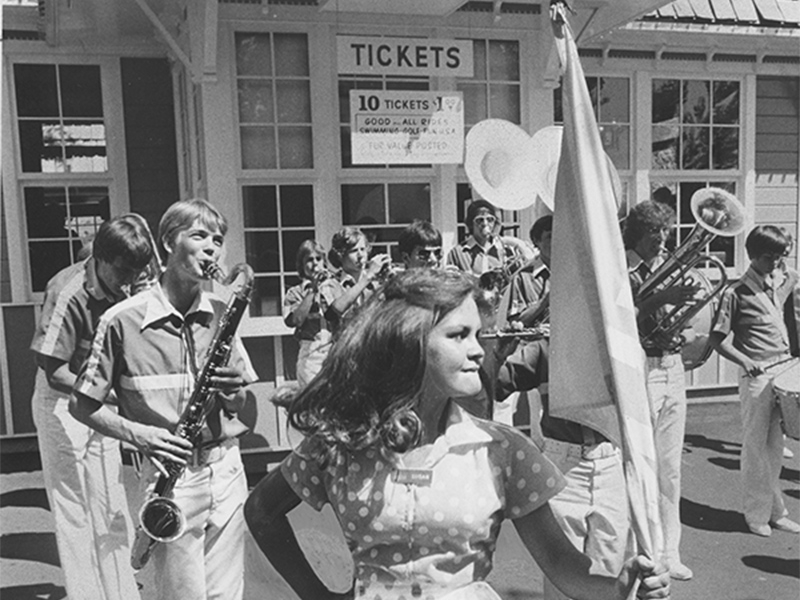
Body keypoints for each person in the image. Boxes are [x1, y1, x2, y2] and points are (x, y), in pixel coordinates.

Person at [243, 268, 670, 600]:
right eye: (459, 335)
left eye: (478, 335)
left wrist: (618, 587)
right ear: (410, 342)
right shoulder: (340, 442)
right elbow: (261, 511)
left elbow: (561, 563)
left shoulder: (503, 452)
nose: (479, 350)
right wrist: (316, 596)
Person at [70, 198, 257, 600]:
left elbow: (238, 405)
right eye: (199, 235)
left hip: (225, 468)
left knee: (229, 594)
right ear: (170, 241)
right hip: (171, 477)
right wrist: (141, 435)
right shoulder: (121, 320)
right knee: (181, 595)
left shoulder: (224, 313)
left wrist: (234, 391)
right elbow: (81, 405)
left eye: (218, 239)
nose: (212, 247)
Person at [496, 215, 634, 600]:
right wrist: (497, 349)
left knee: (608, 572)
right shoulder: (545, 348)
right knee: (562, 576)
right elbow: (495, 383)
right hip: (563, 462)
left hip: (610, 461)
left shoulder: (620, 349)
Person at [30, 214, 154, 600]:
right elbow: (54, 373)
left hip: (97, 398)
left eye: (136, 271)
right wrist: (118, 397)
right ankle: (87, 594)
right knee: (75, 510)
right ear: (100, 257)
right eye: (122, 271)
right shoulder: (68, 292)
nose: (129, 280)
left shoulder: (129, 282)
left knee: (110, 502)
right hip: (61, 404)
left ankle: (120, 593)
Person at [708, 225, 800, 537]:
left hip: (783, 369)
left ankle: (777, 511)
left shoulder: (783, 281)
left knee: (777, 446)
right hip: (757, 373)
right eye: (768, 257)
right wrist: (746, 362)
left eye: (779, 256)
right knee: (755, 447)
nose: (775, 262)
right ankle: (756, 513)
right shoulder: (735, 292)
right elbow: (717, 339)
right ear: (752, 256)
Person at [624, 200, 698, 581]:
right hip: (642, 366)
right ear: (637, 233)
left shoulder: (666, 268)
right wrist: (662, 301)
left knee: (670, 468)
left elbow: (671, 316)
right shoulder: (623, 268)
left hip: (672, 364)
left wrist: (679, 326)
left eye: (666, 231)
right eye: (654, 231)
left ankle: (671, 550)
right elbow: (622, 318)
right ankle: (644, 551)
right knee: (642, 464)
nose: (662, 239)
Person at [284, 240, 344, 387]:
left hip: (335, 350)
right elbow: (296, 320)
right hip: (311, 354)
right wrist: (313, 290)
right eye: (309, 260)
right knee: (313, 403)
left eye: (318, 259)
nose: (315, 264)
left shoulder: (335, 286)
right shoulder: (295, 292)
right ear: (302, 266)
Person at [446, 198, 534, 277]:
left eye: (490, 219)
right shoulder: (457, 253)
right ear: (470, 224)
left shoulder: (506, 250)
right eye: (479, 220)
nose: (485, 223)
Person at [328, 226, 392, 317]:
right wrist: (368, 276)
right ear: (340, 255)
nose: (360, 255)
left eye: (362, 249)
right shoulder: (331, 284)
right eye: (354, 251)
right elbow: (333, 313)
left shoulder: (375, 282)